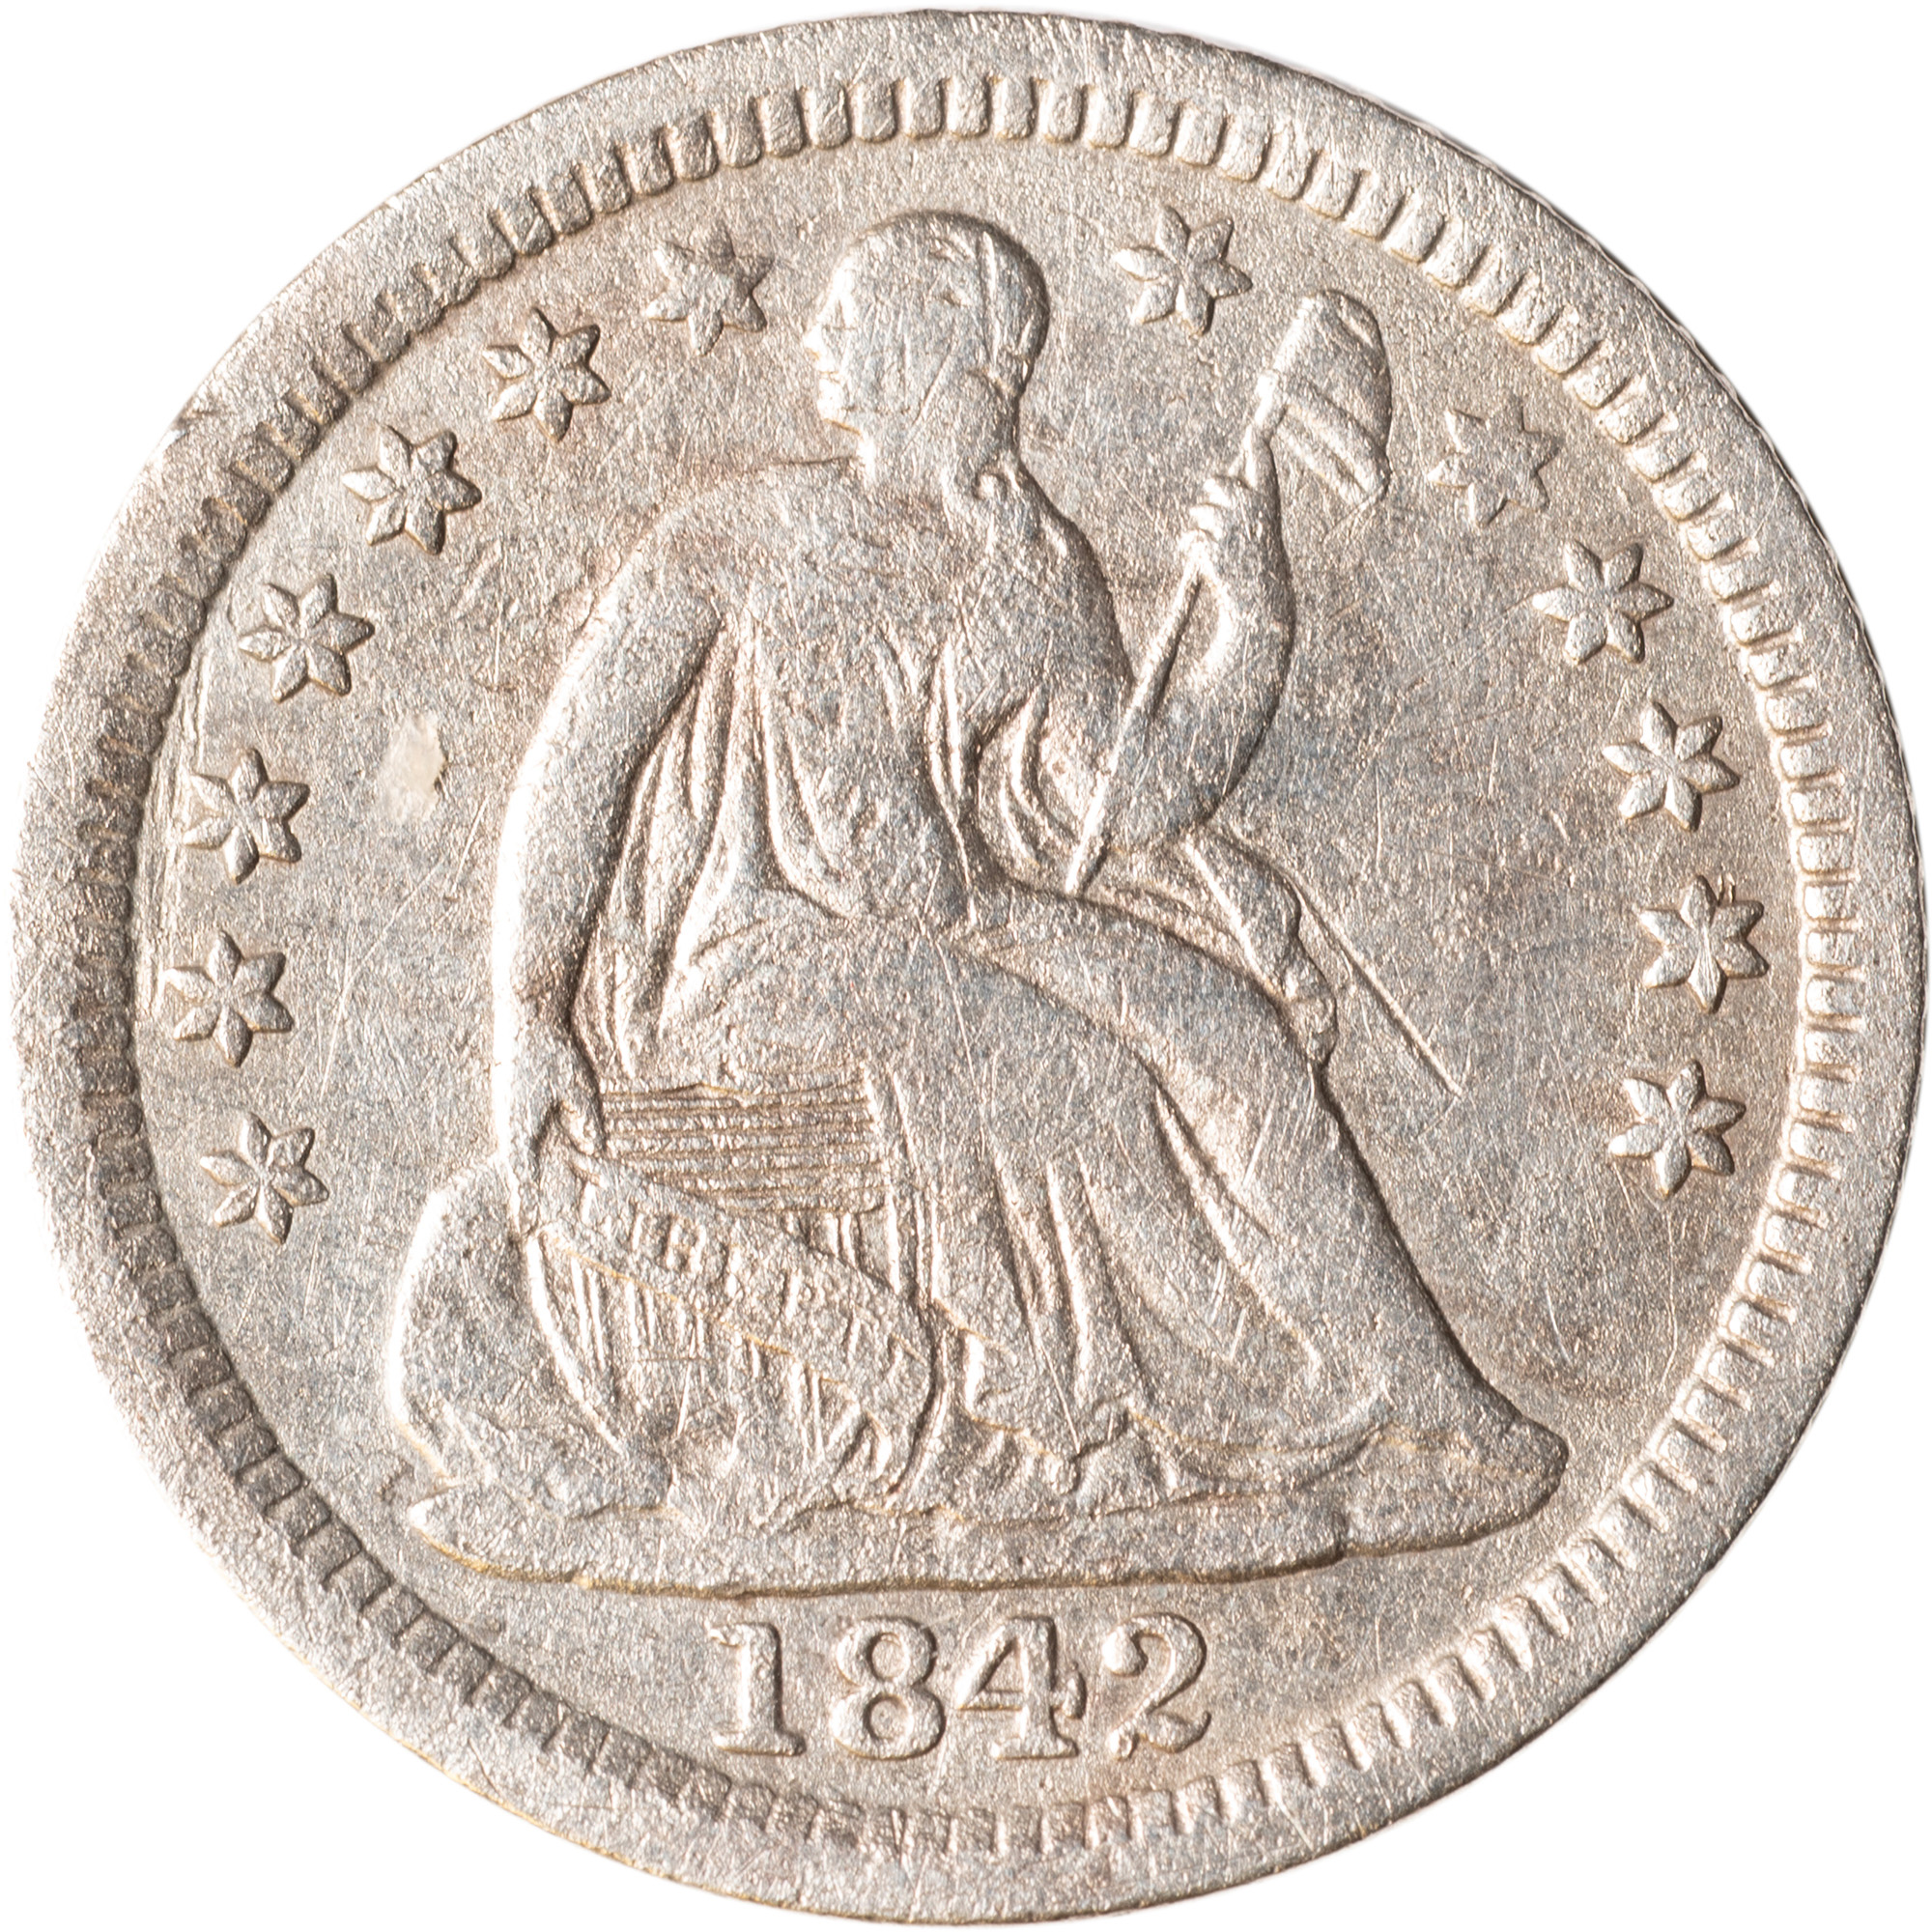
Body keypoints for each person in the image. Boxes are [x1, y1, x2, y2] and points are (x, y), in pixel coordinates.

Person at [391, 212, 1563, 1576]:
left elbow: (1130, 796)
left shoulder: (1033, 560)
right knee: (1051, 1064)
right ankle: (1115, 1425)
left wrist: (1253, 620)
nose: (821, 338)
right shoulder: (737, 536)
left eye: (855, 314)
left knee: (1231, 1034)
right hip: (760, 958)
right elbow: (574, 769)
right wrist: (529, 1012)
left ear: (944, 348)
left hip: (966, 921)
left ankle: (1428, 1411)